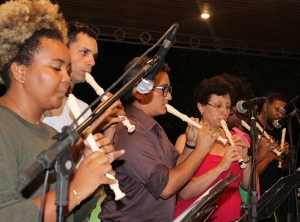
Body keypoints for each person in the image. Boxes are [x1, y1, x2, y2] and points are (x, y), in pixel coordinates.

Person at [0, 0, 123, 221]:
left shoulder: (50, 136)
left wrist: (91, 175)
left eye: (67, 69)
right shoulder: (3, 127)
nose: (66, 78)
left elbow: (71, 216)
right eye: (56, 68)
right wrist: (75, 189)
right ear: (20, 71)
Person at [100, 56, 219, 221]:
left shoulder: (153, 127)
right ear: (139, 91)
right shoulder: (130, 132)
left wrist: (191, 145)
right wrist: (202, 150)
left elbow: (175, 167)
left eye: (169, 89)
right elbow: (166, 187)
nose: (169, 97)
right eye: (164, 89)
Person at [174, 75, 251, 221]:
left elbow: (249, 186)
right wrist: (222, 166)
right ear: (201, 107)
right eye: (218, 105)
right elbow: (184, 192)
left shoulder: (234, 139)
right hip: (198, 216)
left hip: (234, 216)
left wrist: (246, 158)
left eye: (227, 107)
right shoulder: (186, 140)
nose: (224, 112)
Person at [42, 22, 124, 135]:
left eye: (94, 56)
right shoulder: (44, 105)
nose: (93, 62)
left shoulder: (84, 108)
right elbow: (50, 152)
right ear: (63, 50)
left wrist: (110, 128)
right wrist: (93, 123)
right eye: (84, 52)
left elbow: (90, 153)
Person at [256, 91, 290, 222]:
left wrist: (284, 157)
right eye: (277, 109)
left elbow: (282, 168)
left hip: (272, 198)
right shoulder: (252, 129)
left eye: (283, 111)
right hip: (255, 197)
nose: (280, 115)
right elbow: (248, 169)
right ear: (265, 106)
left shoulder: (279, 131)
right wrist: (270, 156)